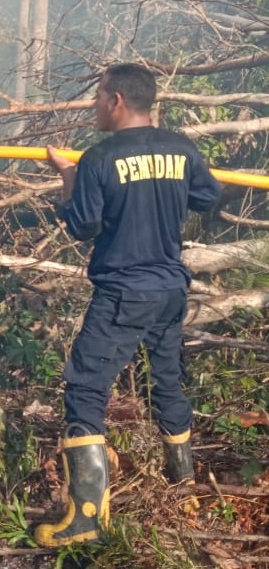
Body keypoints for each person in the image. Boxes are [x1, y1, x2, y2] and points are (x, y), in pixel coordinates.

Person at [37, 63, 222, 547]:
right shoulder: (182, 148)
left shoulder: (99, 159)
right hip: (169, 290)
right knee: (167, 381)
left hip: (123, 292)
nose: (95, 106)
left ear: (116, 100)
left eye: (98, 97)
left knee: (84, 388)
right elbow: (207, 198)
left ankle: (86, 520)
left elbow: (81, 226)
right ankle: (183, 493)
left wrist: (68, 177)